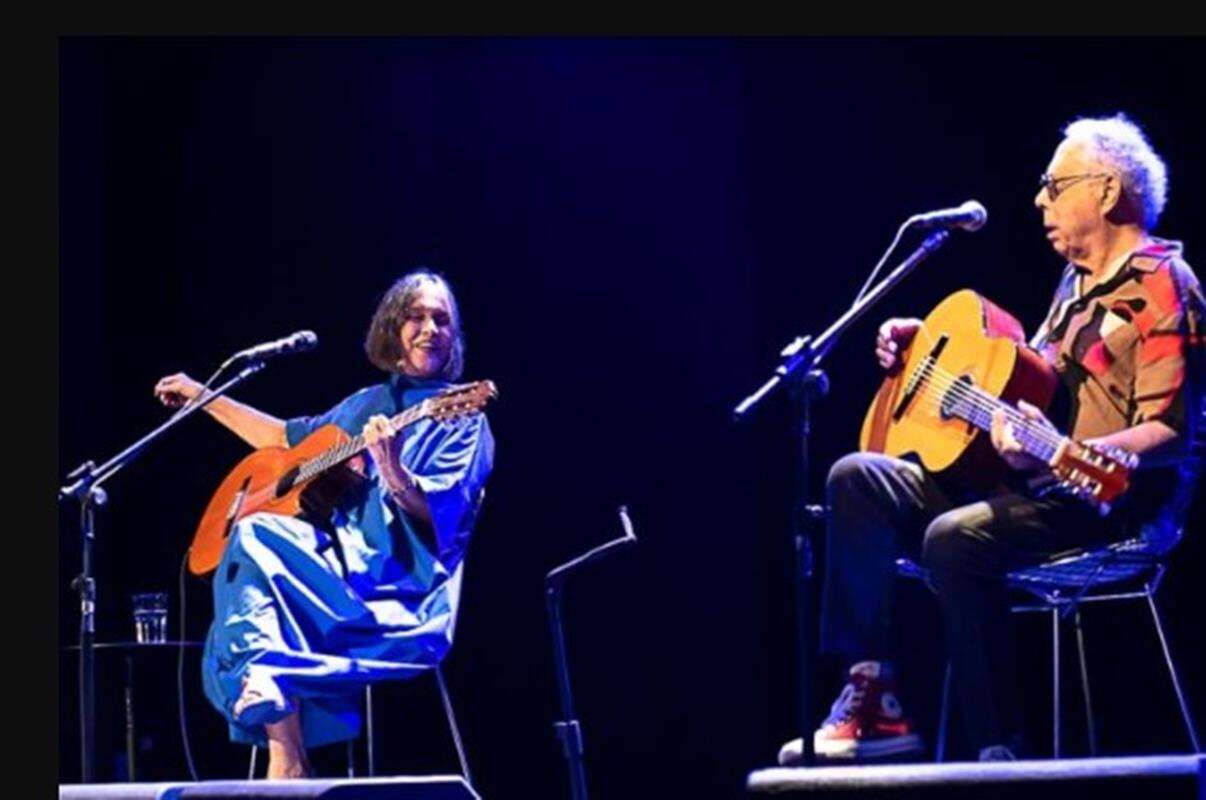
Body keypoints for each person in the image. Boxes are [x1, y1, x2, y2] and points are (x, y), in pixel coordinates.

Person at [778, 113, 1204, 764]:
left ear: (1108, 192)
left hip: (1112, 504)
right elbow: (1020, 377)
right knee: (856, 477)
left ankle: (1001, 752)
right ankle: (874, 700)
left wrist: (1074, 454)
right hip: (1034, 489)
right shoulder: (1074, 287)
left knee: (955, 538)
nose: (1039, 200)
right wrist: (925, 349)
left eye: (1054, 185)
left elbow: (1173, 432)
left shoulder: (1166, 284)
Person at [155, 270, 494, 779]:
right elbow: (281, 441)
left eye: (441, 319)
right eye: (416, 317)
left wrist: (395, 472)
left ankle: (284, 752)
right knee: (251, 544)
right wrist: (204, 397)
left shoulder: (462, 417)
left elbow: (443, 516)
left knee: (254, 541)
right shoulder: (365, 405)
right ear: (393, 331)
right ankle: (286, 751)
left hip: (398, 588)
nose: (430, 328)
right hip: (328, 569)